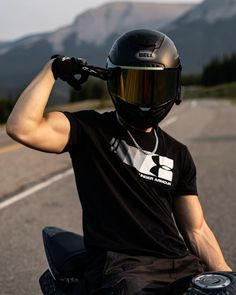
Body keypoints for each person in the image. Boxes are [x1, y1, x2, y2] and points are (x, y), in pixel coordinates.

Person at [6, 29, 231, 295]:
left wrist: (226, 275)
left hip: (179, 265)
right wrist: (52, 70)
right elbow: (22, 127)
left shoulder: (178, 152)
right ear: (114, 84)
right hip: (122, 270)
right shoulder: (89, 130)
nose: (146, 100)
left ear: (174, 85)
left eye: (156, 87)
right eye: (134, 87)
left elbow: (196, 229)